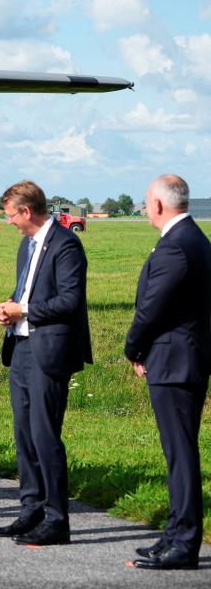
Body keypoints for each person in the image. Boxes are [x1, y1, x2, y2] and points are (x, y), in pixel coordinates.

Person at [0, 180, 91, 546]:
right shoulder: (26, 245)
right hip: (21, 349)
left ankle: (56, 519)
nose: (9, 222)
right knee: (24, 434)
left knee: (45, 435)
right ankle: (30, 510)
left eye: (11, 216)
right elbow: (26, 293)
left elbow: (69, 301)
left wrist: (24, 310)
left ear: (27, 212)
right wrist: (10, 309)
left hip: (50, 352)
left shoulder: (67, 245)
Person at [125, 174, 210, 570]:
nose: (145, 208)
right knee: (178, 452)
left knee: (180, 454)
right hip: (183, 358)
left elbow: (152, 308)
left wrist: (133, 346)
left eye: (146, 202)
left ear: (159, 204)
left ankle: (185, 542)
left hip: (175, 362)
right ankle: (175, 533)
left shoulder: (176, 246)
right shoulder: (194, 239)